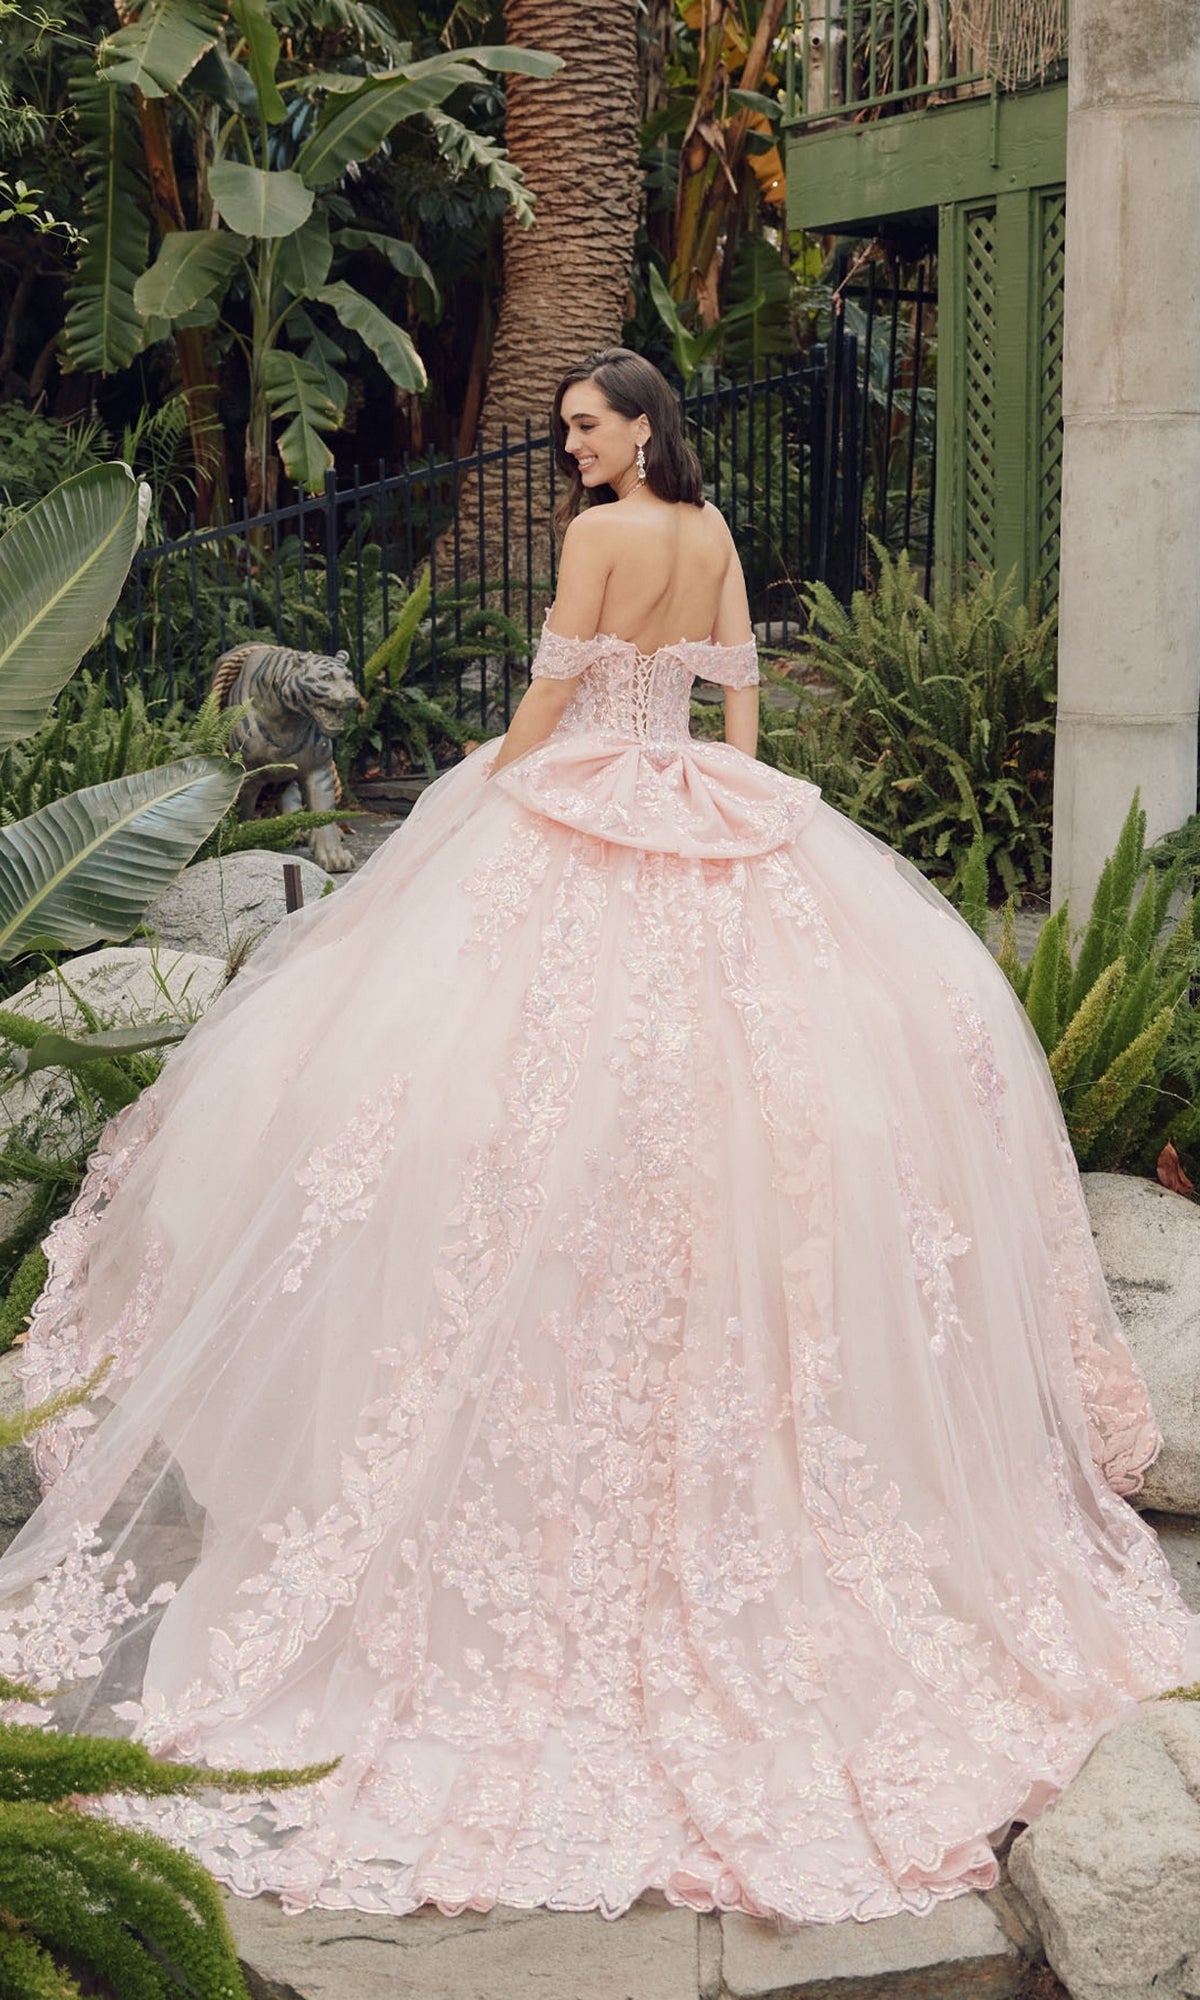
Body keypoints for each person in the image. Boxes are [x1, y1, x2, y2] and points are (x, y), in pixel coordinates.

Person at [0, 347, 1192, 1929]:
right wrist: (734, 805)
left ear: (643, 428)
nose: (571, 446)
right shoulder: (706, 533)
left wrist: (486, 789)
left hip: (577, 791)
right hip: (706, 796)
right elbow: (740, 684)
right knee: (742, 1104)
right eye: (563, 429)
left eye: (586, 424)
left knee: (489, 1088)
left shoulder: (605, 533)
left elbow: (556, 694)